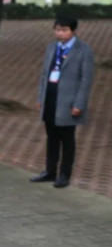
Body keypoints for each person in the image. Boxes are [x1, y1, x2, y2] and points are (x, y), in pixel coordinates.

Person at [31, 15, 95, 188]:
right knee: (52, 137)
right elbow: (44, 74)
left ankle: (65, 174)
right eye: (57, 30)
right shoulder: (52, 47)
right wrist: (41, 98)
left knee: (67, 140)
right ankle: (50, 171)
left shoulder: (83, 50)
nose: (60, 33)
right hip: (51, 98)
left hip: (68, 101)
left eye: (64, 30)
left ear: (73, 31)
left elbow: (86, 79)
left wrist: (79, 104)